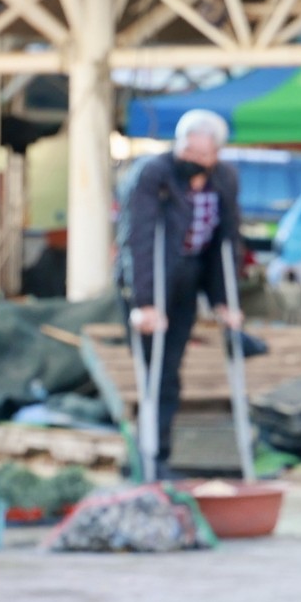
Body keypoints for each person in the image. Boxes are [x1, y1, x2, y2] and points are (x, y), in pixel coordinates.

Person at [122, 109, 246, 475]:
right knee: (154, 371)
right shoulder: (154, 174)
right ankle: (148, 457)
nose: (192, 161)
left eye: (201, 155)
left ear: (216, 154)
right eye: (187, 151)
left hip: (188, 281)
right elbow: (139, 239)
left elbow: (226, 239)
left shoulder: (224, 179)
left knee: (171, 370)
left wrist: (224, 299)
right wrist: (144, 302)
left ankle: (159, 454)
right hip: (151, 280)